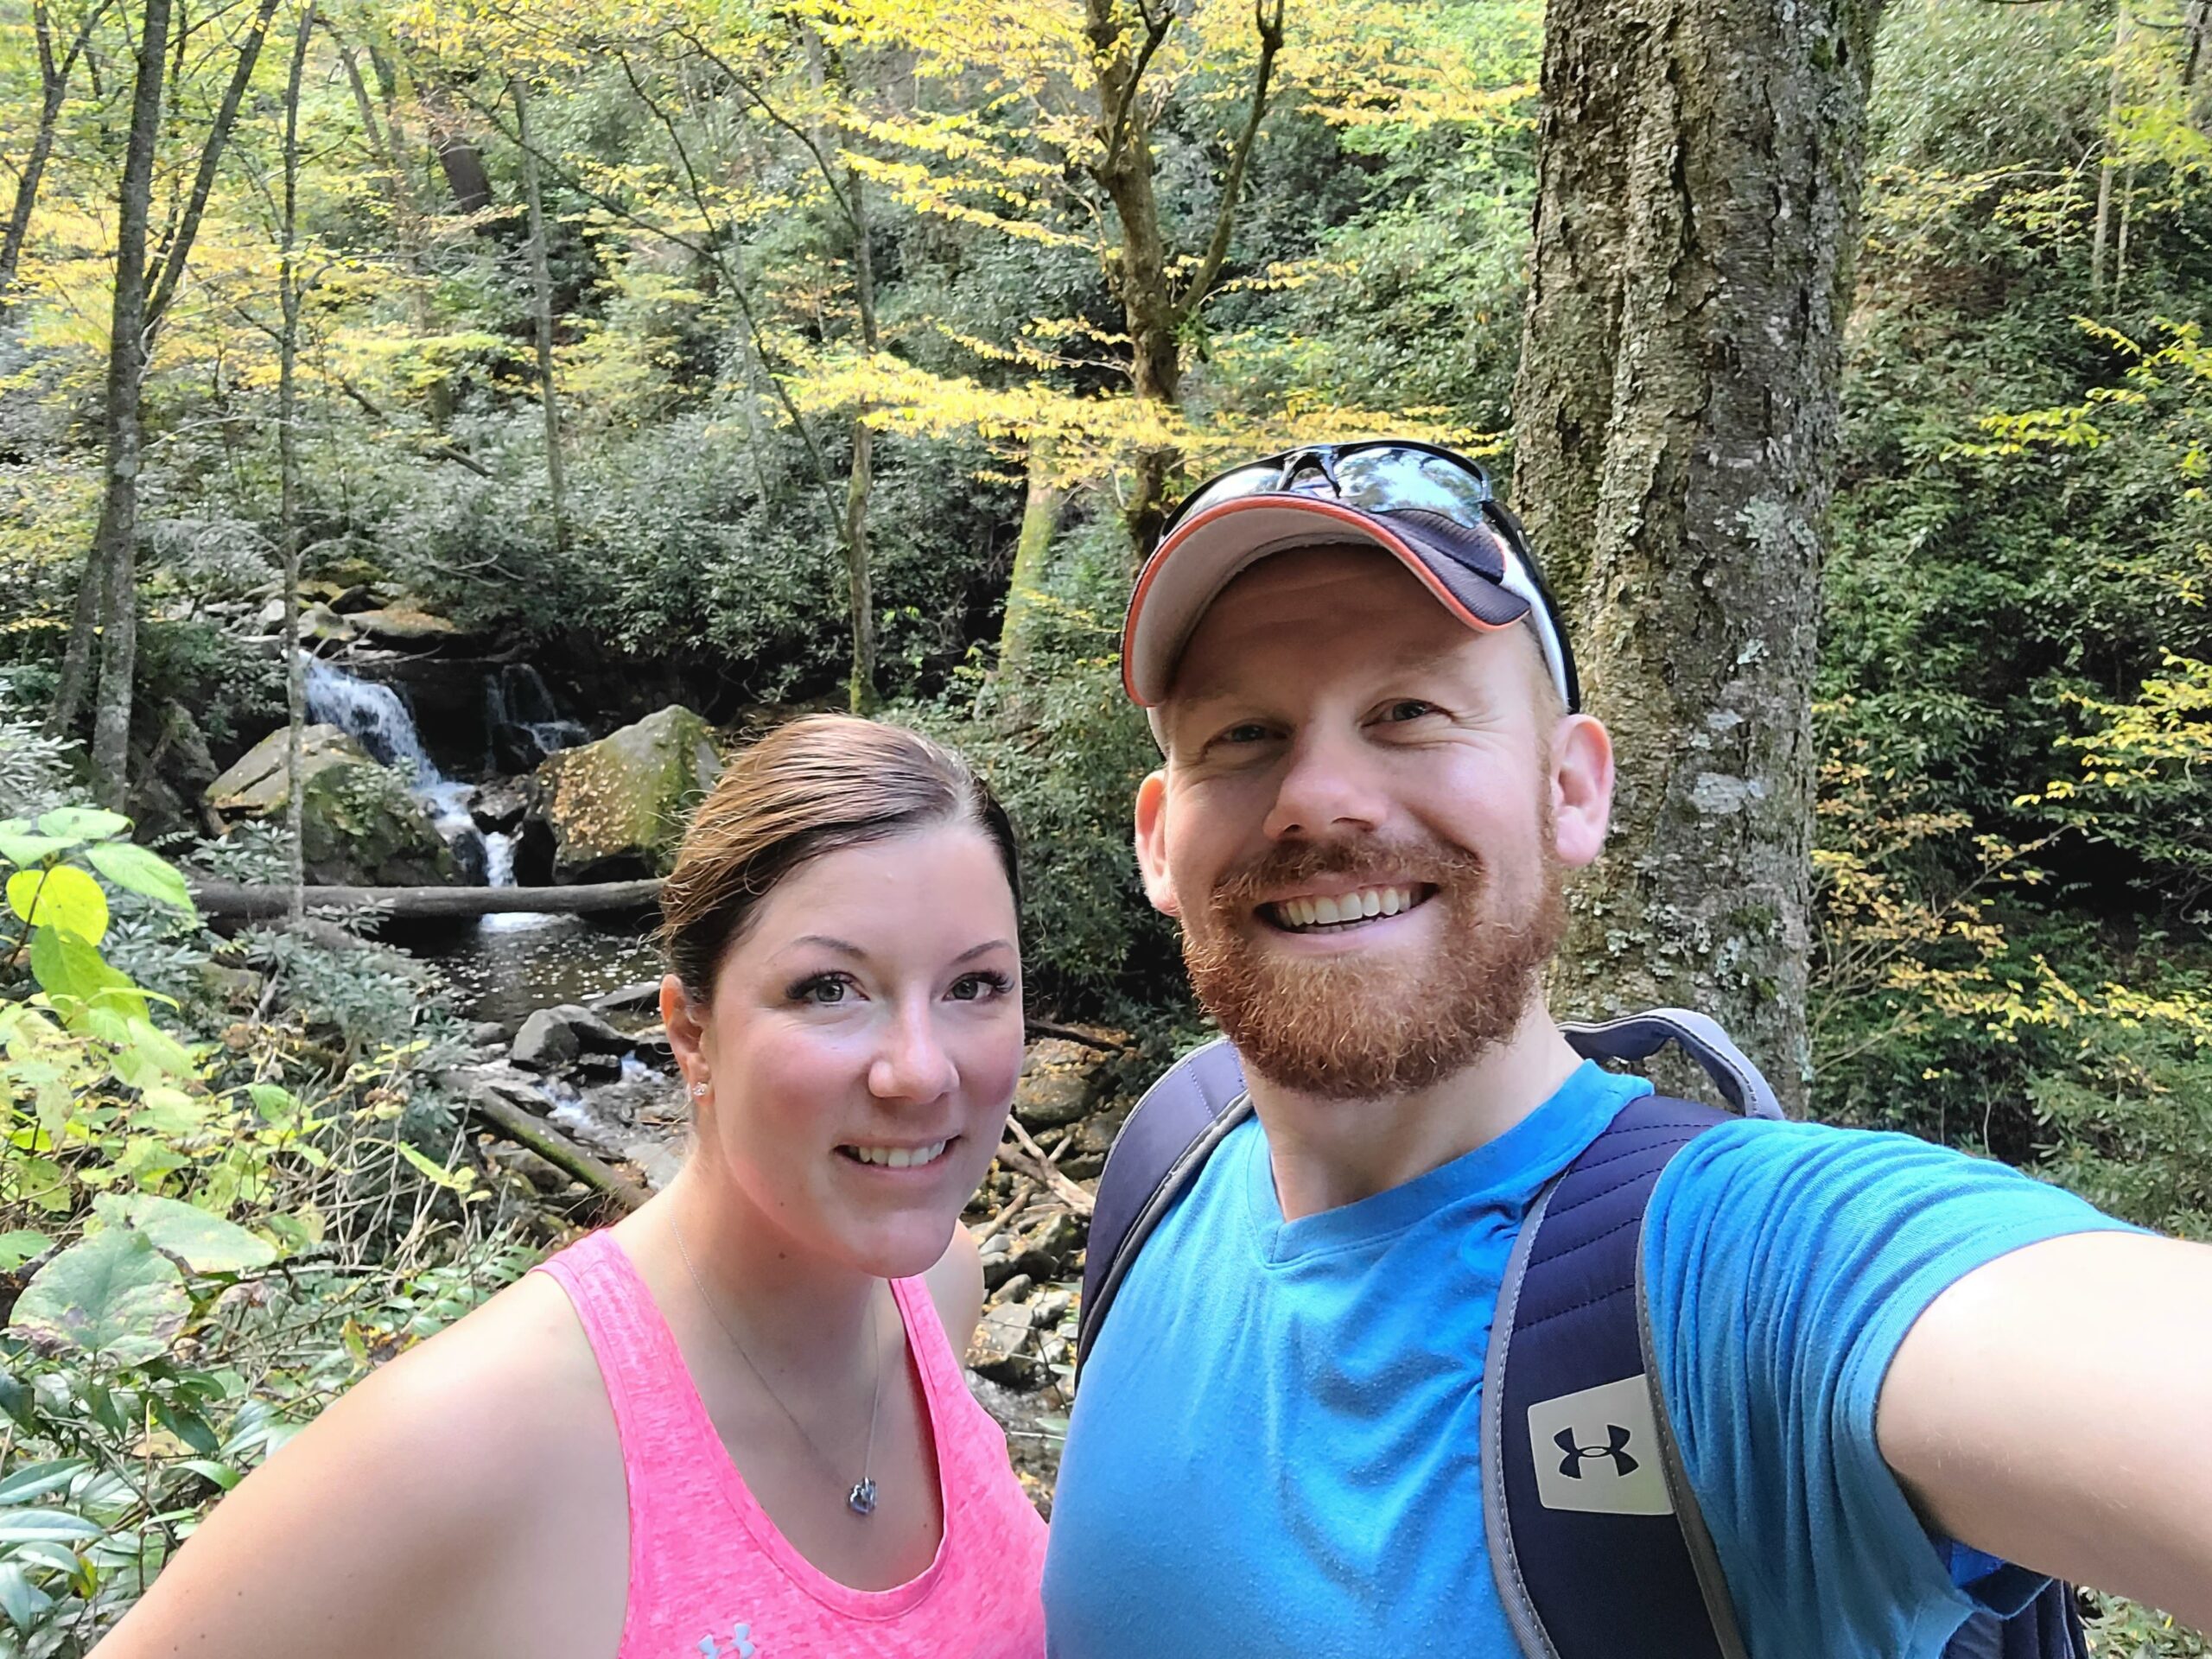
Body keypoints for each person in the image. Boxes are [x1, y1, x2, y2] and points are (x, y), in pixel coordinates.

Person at [1041, 441, 2212, 1656]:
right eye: (1242, 735)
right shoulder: (1168, 1157)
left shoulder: (1740, 1274)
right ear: (1157, 842)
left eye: (1409, 713)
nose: (1320, 797)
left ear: (1572, 791)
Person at [99, 715, 1047, 1659]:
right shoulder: (477, 1434)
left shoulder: (937, 1292)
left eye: (974, 987)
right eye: (828, 988)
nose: (919, 1073)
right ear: (690, 1036)